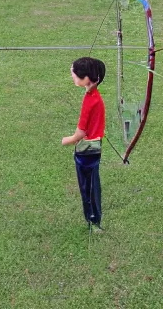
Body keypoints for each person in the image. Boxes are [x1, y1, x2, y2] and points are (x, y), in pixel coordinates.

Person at [61, 56, 106, 232]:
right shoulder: (94, 96)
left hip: (87, 152)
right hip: (93, 149)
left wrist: (68, 140)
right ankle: (93, 219)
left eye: (75, 74)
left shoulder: (90, 101)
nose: (73, 76)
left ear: (87, 78)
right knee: (91, 185)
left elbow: (81, 133)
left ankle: (93, 221)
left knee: (88, 187)